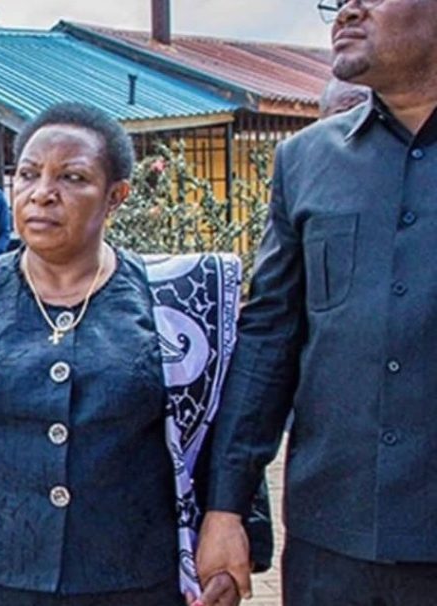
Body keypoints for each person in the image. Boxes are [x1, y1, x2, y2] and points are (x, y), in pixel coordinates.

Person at [0, 103, 249, 606]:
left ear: (116, 196)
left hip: (134, 577)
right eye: (28, 174)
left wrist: (232, 530)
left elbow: (214, 426)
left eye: (72, 177)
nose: (42, 193)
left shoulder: (171, 301)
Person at [196, 0, 437, 604]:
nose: (348, 10)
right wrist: (226, 508)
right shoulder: (306, 160)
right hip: (331, 540)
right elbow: (267, 341)